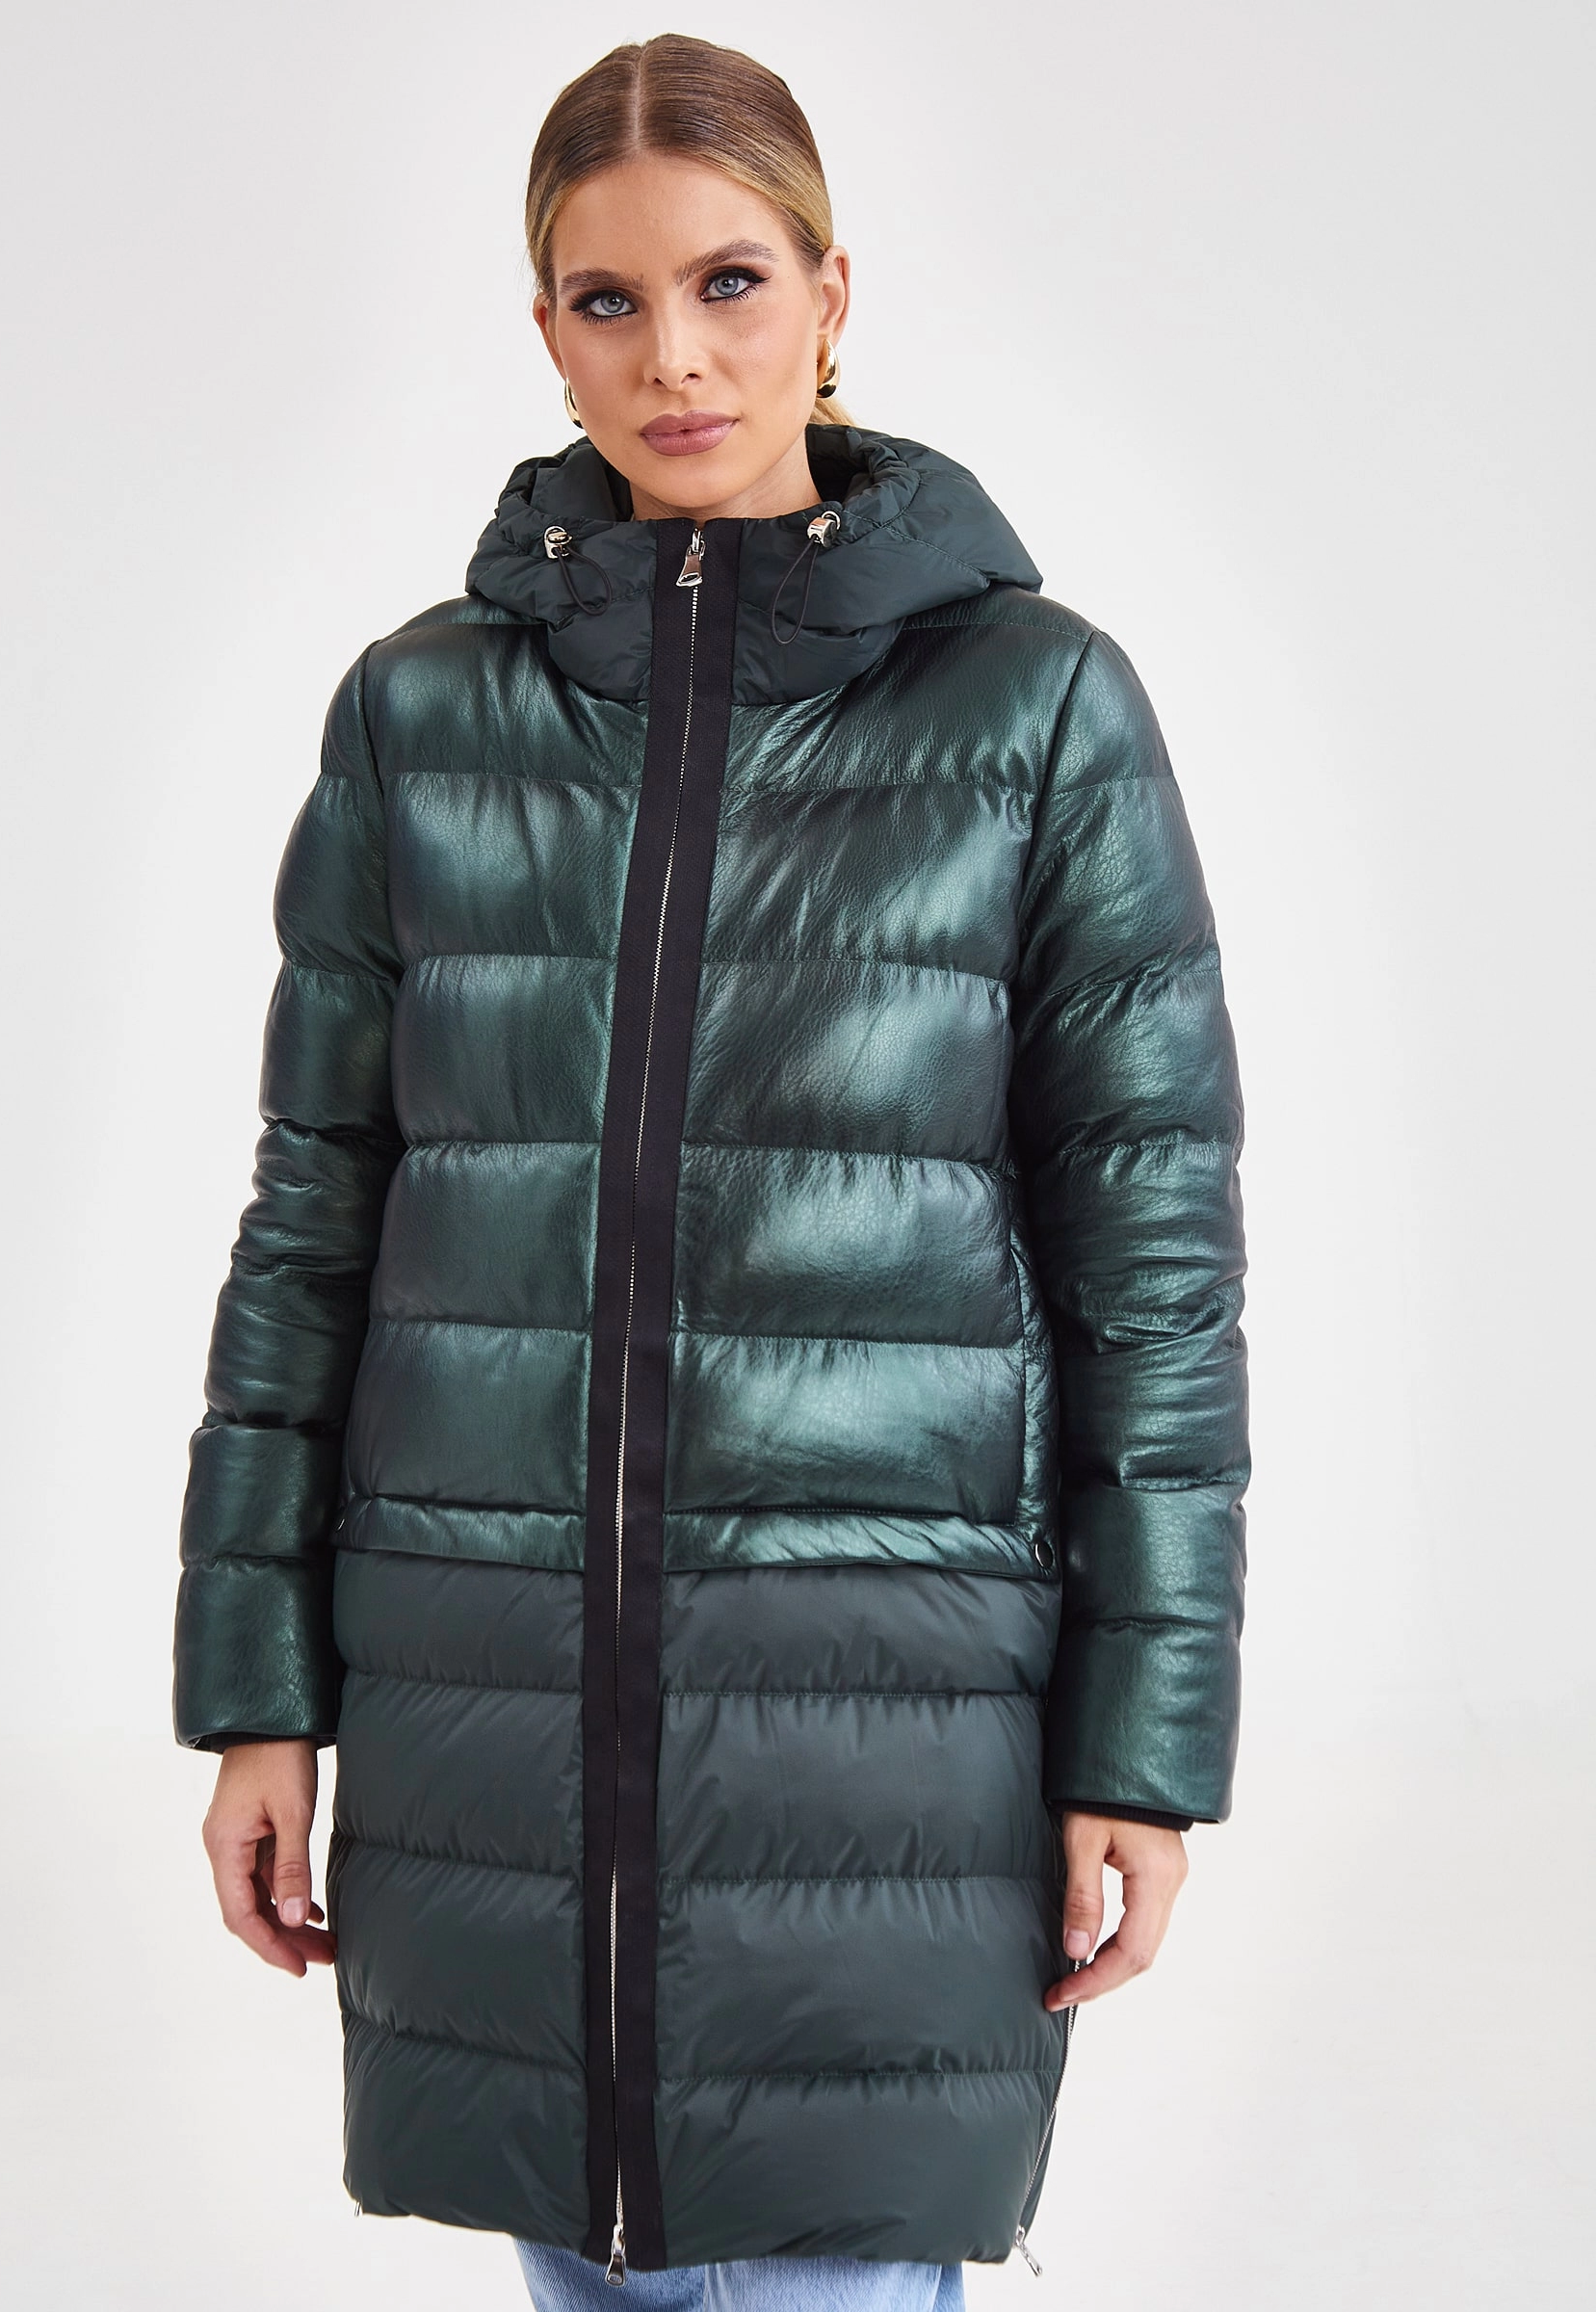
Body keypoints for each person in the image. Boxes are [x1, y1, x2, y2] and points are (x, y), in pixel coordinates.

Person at [171, 32, 1248, 2312]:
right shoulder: (419, 717)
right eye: (610, 299)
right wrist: (257, 1690)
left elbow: (1150, 1268)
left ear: (833, 295)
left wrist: (1145, 1748)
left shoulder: (1037, 710)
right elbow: (314, 1222)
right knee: (585, 2258)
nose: (675, 356)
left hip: (887, 1731)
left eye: (730, 282)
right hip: (489, 1715)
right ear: (545, 327)